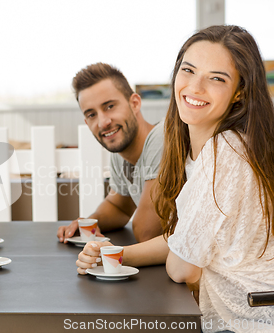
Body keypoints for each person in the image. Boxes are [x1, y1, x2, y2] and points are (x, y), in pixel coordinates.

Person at [77, 25, 274, 332]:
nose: (195, 87)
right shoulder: (197, 151)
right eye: (189, 70)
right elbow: (183, 240)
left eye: (216, 78)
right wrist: (115, 254)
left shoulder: (227, 151)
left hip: (247, 324)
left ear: (240, 92)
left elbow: (183, 267)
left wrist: (185, 261)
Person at [57, 63, 164, 244]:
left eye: (109, 106)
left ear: (135, 103)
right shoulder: (120, 152)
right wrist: (88, 223)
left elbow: (147, 233)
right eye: (92, 115)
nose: (103, 122)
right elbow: (119, 207)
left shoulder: (161, 138)